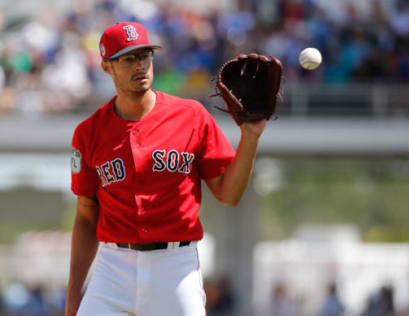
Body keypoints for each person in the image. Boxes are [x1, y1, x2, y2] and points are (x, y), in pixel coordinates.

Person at [65, 21, 267, 316]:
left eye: (145, 55)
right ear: (107, 67)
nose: (140, 65)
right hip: (113, 268)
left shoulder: (191, 116)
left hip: (175, 267)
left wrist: (250, 137)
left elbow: (229, 194)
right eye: (128, 58)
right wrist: (73, 297)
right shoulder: (88, 133)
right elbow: (86, 214)